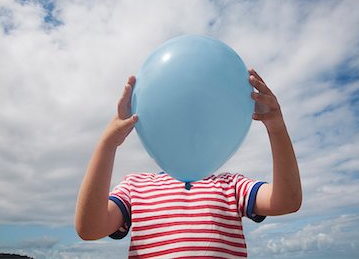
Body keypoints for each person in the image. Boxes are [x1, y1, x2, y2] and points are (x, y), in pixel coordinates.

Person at [75, 68, 302, 258]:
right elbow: (90, 228)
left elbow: (287, 201)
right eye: (175, 120)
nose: (187, 128)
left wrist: (276, 127)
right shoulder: (135, 187)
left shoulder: (231, 186)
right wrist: (108, 143)